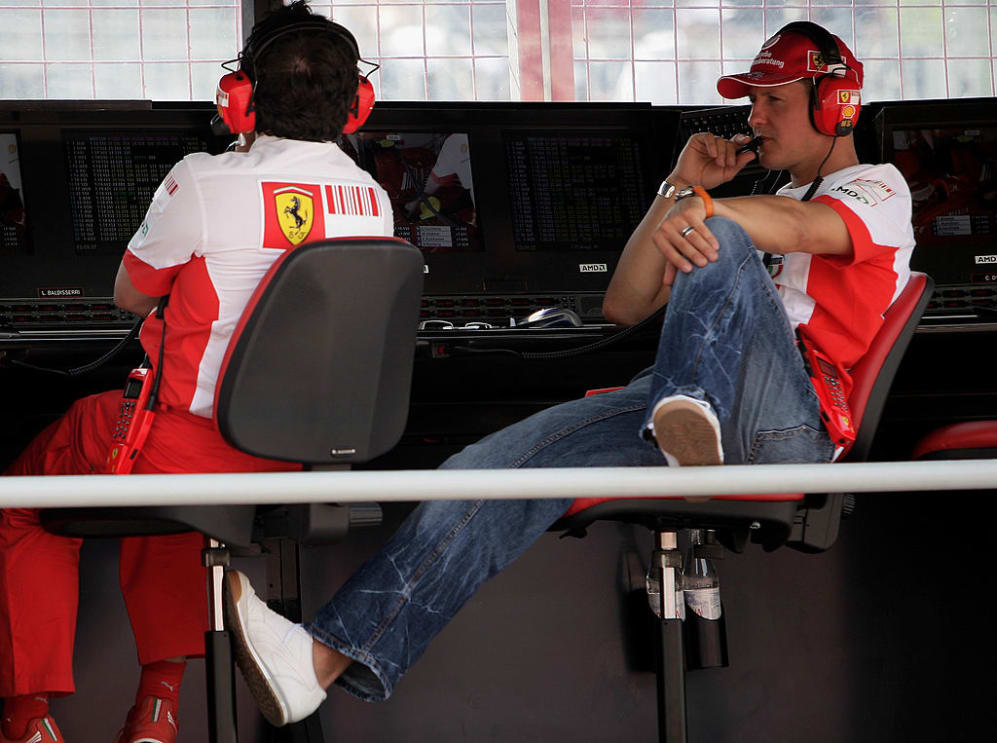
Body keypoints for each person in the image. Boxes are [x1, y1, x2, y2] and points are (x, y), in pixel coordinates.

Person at [223, 22, 915, 726]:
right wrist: (680, 187)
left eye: (772, 101)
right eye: (751, 102)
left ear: (837, 108)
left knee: (728, 237)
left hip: (784, 424)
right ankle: (316, 661)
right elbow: (625, 302)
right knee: (484, 471)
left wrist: (710, 211)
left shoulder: (875, 189)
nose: (753, 118)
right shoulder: (741, 211)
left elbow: (801, 232)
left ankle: (686, 411)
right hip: (684, 402)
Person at [0, 3, 391, 742]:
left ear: (237, 97)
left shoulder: (202, 180)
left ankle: (28, 719)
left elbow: (130, 293)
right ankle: (158, 706)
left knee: (24, 495)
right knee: (181, 478)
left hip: (186, 452)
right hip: (302, 461)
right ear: (357, 104)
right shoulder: (373, 201)